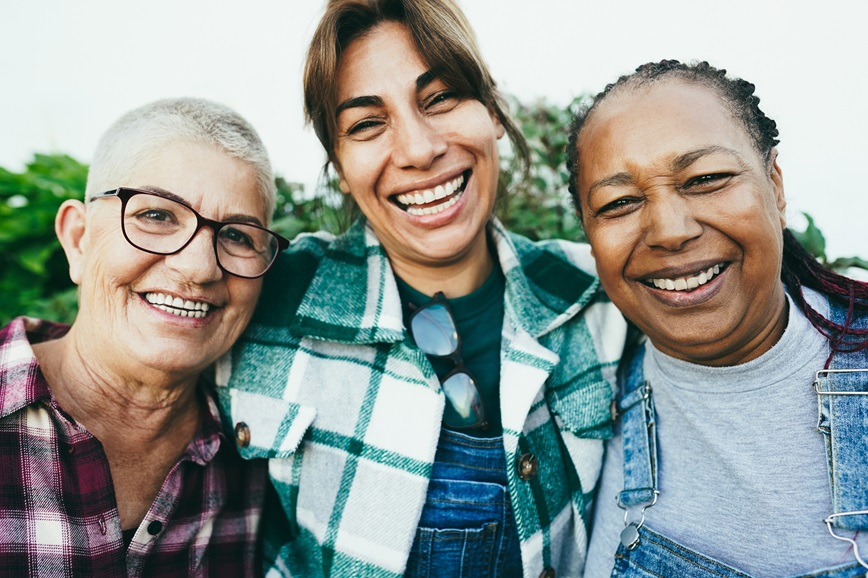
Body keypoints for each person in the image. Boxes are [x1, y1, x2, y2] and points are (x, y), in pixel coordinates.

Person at [214, 0, 627, 576]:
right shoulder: (264, 298)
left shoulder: (603, 294)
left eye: (440, 99)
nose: (418, 149)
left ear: (493, 112)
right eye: (366, 124)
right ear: (339, 164)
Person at [565, 60, 868, 577]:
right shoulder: (582, 395)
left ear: (774, 183)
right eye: (619, 203)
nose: (670, 230)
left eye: (706, 178)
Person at [0, 97, 289, 576]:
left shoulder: (262, 454)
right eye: (156, 216)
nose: (198, 268)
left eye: (237, 236)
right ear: (79, 238)